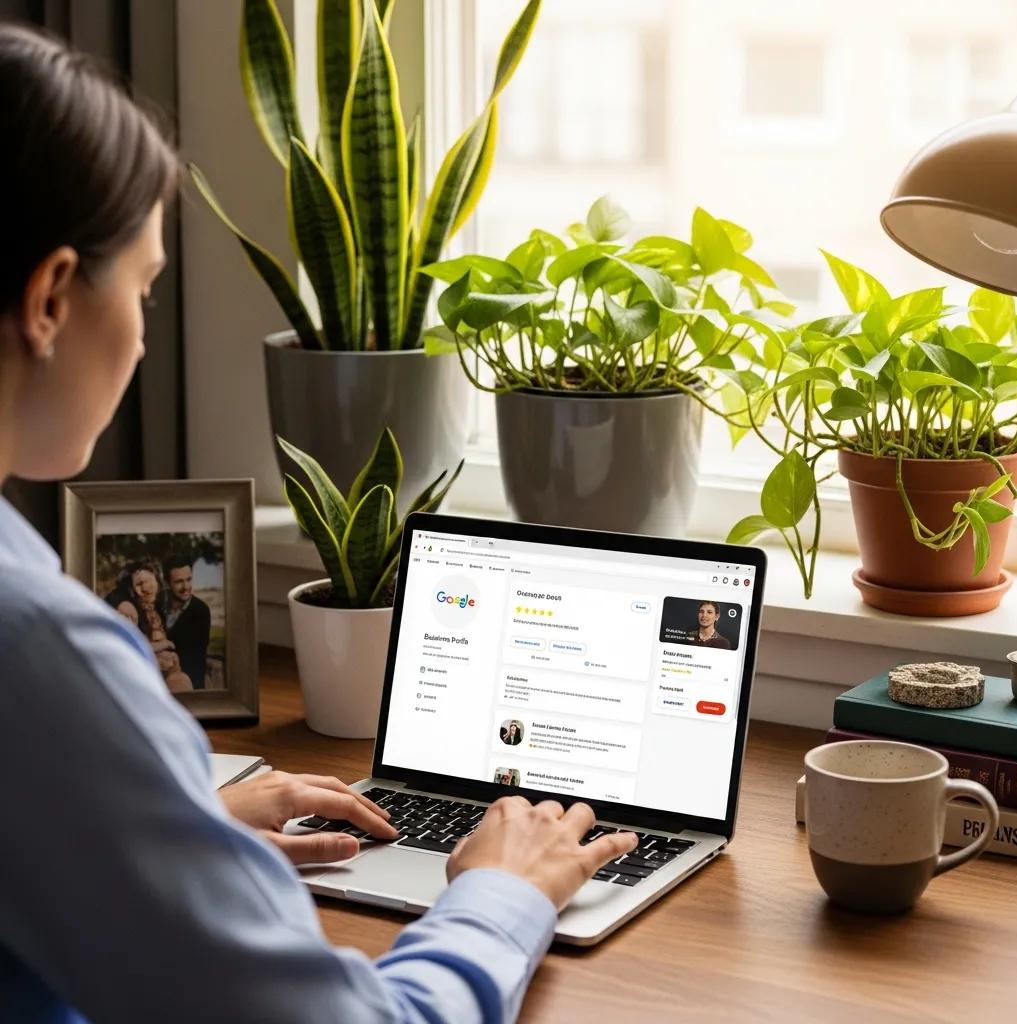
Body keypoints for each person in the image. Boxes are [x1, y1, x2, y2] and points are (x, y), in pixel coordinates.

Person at [0, 23, 637, 1023]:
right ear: (48, 298)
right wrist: (502, 894)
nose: (142, 339)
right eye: (145, 290)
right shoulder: (38, 646)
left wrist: (168, 832)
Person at [128, 560, 193, 693]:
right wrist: (163, 645)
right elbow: (131, 648)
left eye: (149, 582)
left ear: (158, 582)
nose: (145, 588)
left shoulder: (159, 609)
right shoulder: (131, 612)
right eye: (139, 584)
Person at [164, 556, 211, 690]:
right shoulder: (157, 604)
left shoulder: (200, 610)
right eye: (179, 582)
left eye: (189, 580)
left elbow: (195, 658)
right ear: (167, 583)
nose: (186, 587)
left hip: (188, 684)